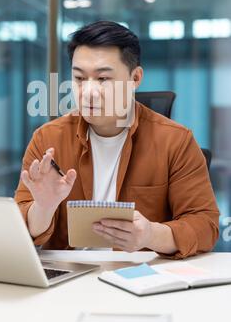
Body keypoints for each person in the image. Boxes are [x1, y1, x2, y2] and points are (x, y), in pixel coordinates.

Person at [15, 20, 219, 258]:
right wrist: (44, 207)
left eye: (103, 79)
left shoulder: (176, 141)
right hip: (68, 279)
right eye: (80, 79)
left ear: (135, 78)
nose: (88, 91)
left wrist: (151, 234)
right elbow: (20, 229)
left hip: (141, 277)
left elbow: (205, 225)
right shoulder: (47, 139)